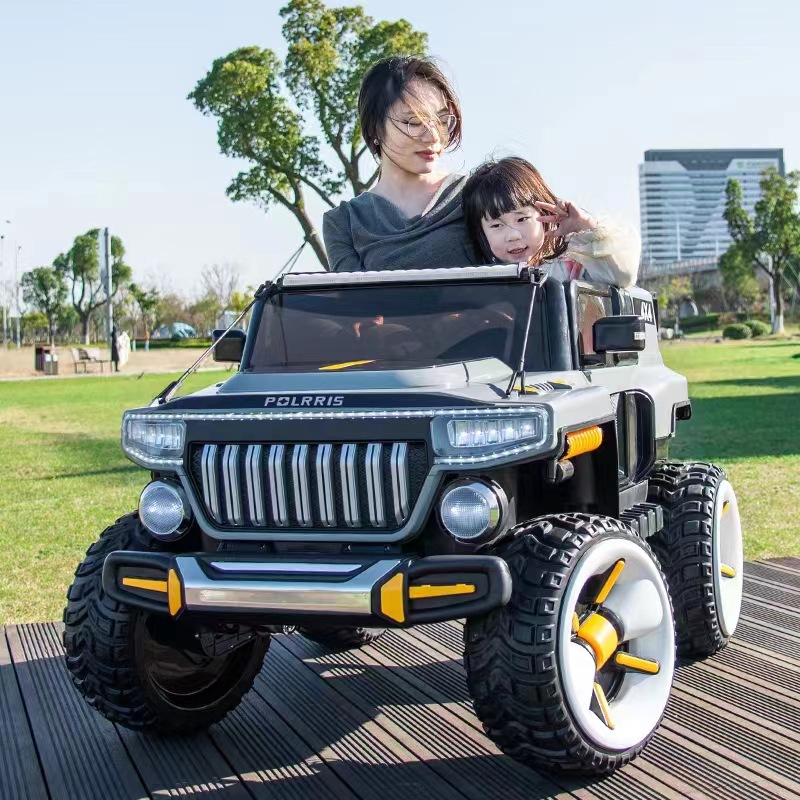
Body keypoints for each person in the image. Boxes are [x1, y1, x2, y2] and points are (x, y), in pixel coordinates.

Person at [323, 56, 474, 272]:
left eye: (442, 121)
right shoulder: (344, 222)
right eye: (413, 122)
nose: (433, 137)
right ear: (375, 128)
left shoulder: (476, 194)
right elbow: (353, 303)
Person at [462, 156, 639, 287]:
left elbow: (622, 277)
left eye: (522, 219)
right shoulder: (483, 281)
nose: (513, 235)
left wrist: (587, 229)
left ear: (545, 213)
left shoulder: (571, 265)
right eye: (496, 225)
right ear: (481, 232)